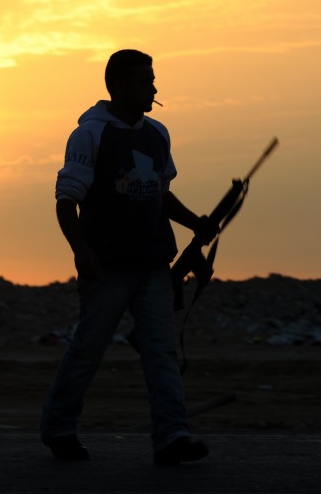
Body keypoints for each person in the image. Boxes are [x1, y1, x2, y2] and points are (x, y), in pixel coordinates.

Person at [40, 49, 212, 465]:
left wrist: (195, 224)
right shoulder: (90, 135)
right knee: (88, 349)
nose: (153, 87)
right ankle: (59, 428)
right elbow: (66, 202)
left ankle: (172, 436)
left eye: (152, 79)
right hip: (108, 268)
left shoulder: (157, 134)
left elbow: (160, 191)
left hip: (153, 265)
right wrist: (82, 252)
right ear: (117, 85)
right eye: (143, 80)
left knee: (160, 351)